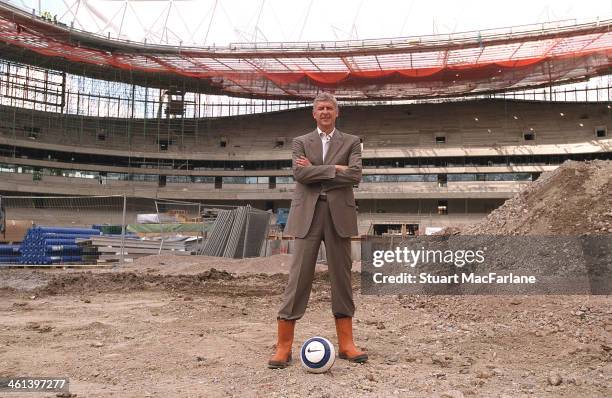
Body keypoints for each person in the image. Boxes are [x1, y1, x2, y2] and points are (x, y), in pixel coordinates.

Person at [268, 92, 368, 369]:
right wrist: (336, 169)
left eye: (330, 108)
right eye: (320, 108)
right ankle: (284, 346)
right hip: (307, 215)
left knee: (342, 278)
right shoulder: (301, 141)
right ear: (314, 114)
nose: (325, 112)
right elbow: (300, 175)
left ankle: (347, 344)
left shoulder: (352, 141)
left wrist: (319, 169)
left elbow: (355, 175)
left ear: (337, 113)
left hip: (339, 215)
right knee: (298, 277)